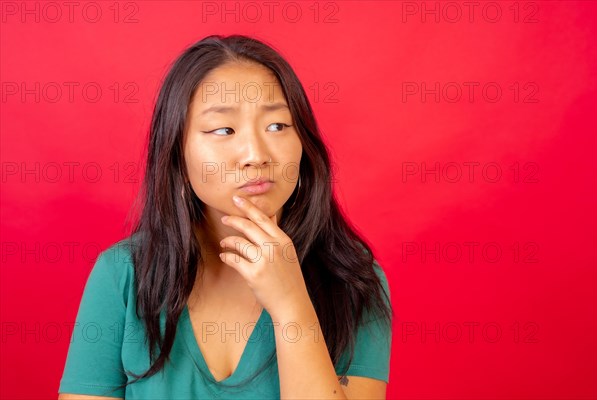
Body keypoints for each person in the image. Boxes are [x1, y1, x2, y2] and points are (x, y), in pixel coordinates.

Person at [58, 34, 393, 400]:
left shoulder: (353, 282)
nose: (255, 154)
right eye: (223, 130)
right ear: (178, 156)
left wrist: (291, 307)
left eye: (277, 126)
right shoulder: (123, 274)